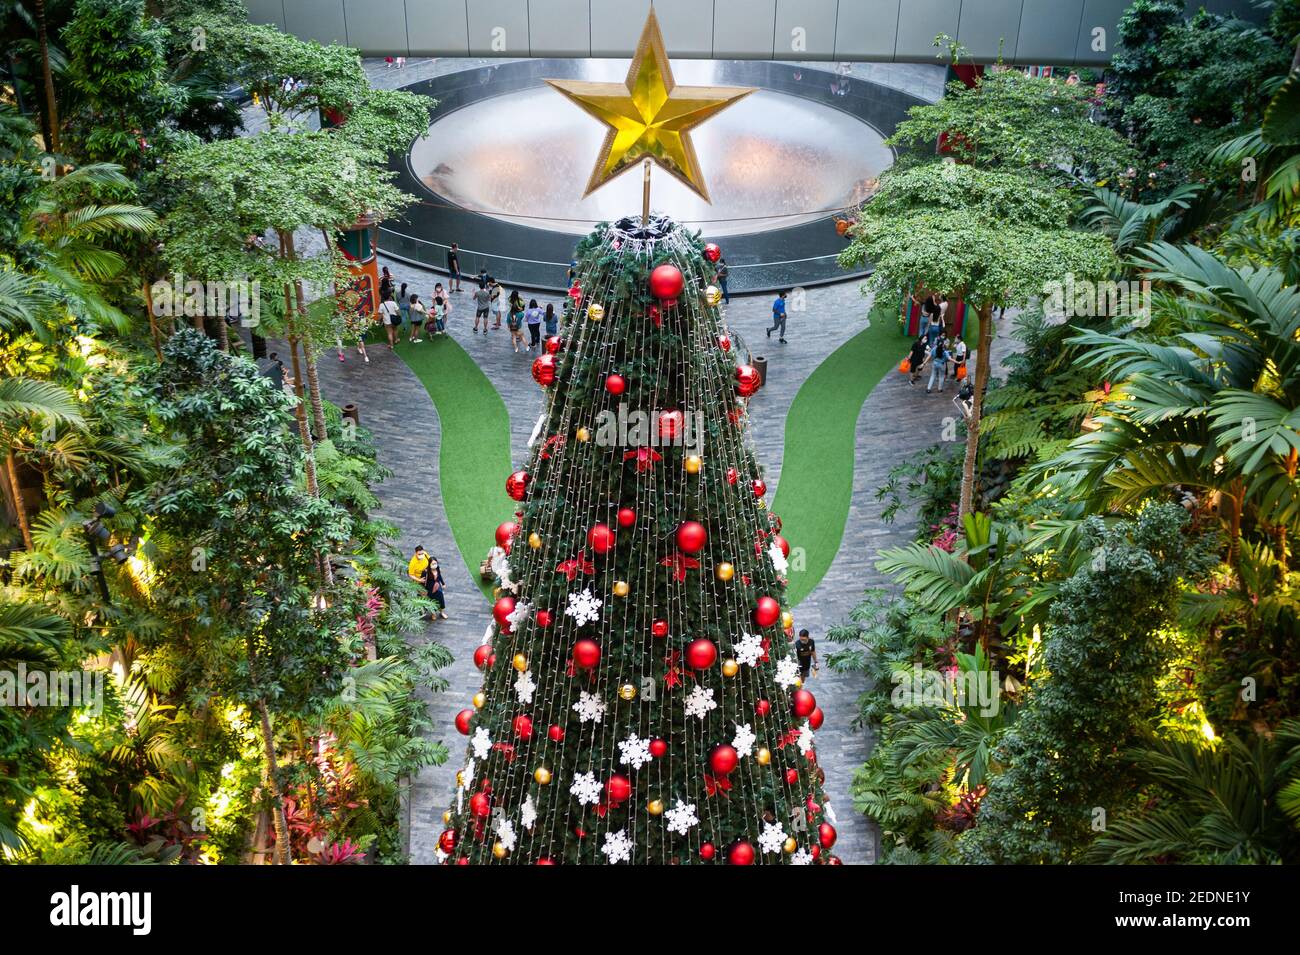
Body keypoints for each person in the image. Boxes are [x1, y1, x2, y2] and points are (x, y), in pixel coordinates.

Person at [423, 555, 448, 620]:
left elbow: (439, 576)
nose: (434, 565)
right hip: (430, 588)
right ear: (429, 564)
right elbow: (423, 581)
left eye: (435, 563)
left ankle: (442, 612)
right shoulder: (426, 572)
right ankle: (433, 613)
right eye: (433, 564)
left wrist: (443, 583)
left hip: (438, 586)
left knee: (441, 599)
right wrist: (423, 590)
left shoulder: (437, 569)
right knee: (432, 600)